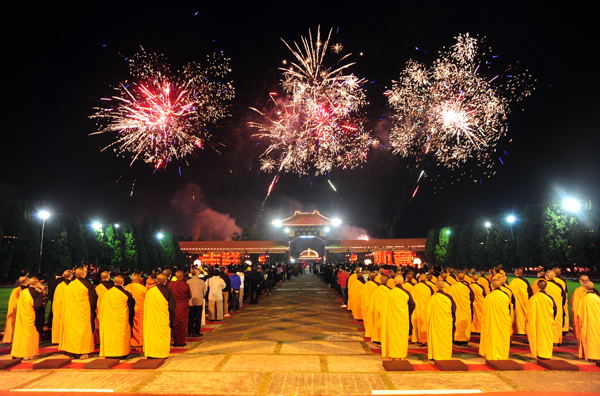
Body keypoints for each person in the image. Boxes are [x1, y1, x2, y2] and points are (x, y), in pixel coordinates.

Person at [60, 267, 98, 359]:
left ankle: (73, 351)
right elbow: (93, 299)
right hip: (83, 313)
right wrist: (93, 310)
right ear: (84, 274)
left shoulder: (70, 286)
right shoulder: (87, 284)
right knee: (83, 332)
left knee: (73, 332)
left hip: (72, 313)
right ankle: (83, 352)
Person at [99, 275, 135, 358]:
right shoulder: (126, 294)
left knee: (111, 337)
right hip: (121, 321)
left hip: (108, 320)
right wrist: (131, 321)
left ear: (114, 282)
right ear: (122, 283)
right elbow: (131, 309)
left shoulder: (106, 294)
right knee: (120, 337)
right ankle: (122, 353)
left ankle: (109, 352)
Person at [381, 275, 415, 360]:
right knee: (402, 336)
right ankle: (401, 354)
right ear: (403, 282)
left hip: (392, 318)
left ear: (394, 282)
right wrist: (407, 313)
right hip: (403, 318)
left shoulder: (389, 293)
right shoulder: (406, 293)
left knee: (393, 335)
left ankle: (393, 354)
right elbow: (412, 305)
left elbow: (384, 306)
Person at [143, 274, 176, 359]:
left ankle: (151, 353)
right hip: (163, 319)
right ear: (165, 281)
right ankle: (162, 354)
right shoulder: (168, 292)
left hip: (151, 319)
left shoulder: (150, 292)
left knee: (152, 335)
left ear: (156, 281)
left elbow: (146, 306)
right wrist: (172, 320)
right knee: (162, 336)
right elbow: (172, 308)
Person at [11, 277, 44, 360]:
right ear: (37, 284)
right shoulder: (35, 293)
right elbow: (38, 307)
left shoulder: (23, 292)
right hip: (32, 317)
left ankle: (21, 352)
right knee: (31, 336)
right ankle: (30, 353)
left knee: (23, 336)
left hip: (23, 317)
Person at [479, 279, 512, 360]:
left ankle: (492, 354)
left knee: (492, 337)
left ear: (491, 286)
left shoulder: (489, 296)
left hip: (492, 321)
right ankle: (503, 355)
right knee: (502, 337)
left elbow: (484, 310)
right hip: (503, 321)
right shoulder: (505, 295)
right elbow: (510, 309)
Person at [526, 279, 556, 360]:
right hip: (547, 322)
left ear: (537, 286)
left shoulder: (533, 298)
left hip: (535, 322)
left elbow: (528, 312)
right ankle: (546, 354)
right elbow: (554, 310)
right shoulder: (549, 298)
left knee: (536, 337)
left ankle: (537, 352)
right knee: (546, 337)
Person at [426, 280, 456, 360]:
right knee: (446, 338)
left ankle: (435, 355)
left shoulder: (432, 298)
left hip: (435, 322)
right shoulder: (448, 297)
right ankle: (445, 355)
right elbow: (454, 309)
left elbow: (427, 312)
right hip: (446, 322)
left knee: (436, 338)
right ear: (444, 287)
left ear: (435, 287)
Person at [448, 272, 474, 346]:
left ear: (456, 278)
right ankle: (465, 339)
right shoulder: (467, 287)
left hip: (456, 308)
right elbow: (472, 298)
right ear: (464, 278)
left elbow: (449, 297)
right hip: (465, 308)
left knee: (456, 322)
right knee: (465, 323)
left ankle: (456, 339)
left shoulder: (453, 287)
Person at [577, 281, 600, 362]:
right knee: (597, 338)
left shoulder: (585, 299)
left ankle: (591, 355)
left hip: (588, 322)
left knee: (590, 339)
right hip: (597, 322)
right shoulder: (597, 298)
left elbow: (580, 313)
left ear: (585, 288)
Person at [168, 270, 192, 347]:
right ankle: (181, 341)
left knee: (174, 323)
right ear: (182, 276)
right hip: (183, 306)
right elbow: (190, 296)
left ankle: (175, 341)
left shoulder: (171, 284)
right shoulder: (185, 285)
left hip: (174, 305)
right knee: (182, 324)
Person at [125, 273, 147, 349]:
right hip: (140, 310)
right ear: (140, 280)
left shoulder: (128, 287)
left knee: (131, 325)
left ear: (132, 280)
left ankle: (131, 341)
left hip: (130, 310)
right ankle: (139, 341)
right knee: (139, 327)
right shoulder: (144, 289)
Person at [367, 275, 391, 344]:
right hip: (386, 310)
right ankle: (384, 338)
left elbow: (371, 302)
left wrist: (371, 310)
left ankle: (377, 338)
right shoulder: (389, 291)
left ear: (380, 281)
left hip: (377, 310)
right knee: (385, 325)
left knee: (377, 325)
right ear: (387, 281)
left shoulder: (376, 290)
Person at [3, 276, 27, 343]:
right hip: (14, 309)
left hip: (15, 308)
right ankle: (11, 338)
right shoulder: (17, 291)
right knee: (13, 323)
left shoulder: (19, 290)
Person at [412, 274, 435, 346]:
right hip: (426, 308)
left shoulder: (415, 287)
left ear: (419, 279)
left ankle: (417, 339)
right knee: (425, 324)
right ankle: (425, 340)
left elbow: (412, 298)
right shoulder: (429, 287)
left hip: (417, 308)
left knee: (417, 324)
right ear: (426, 280)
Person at [509, 268, 533, 335]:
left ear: (515, 273)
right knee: (524, 315)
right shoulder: (525, 281)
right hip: (524, 301)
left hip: (515, 302)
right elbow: (529, 292)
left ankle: (516, 330)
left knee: (516, 315)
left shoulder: (513, 282)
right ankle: (524, 330)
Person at [545, 270, 566, 345]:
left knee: (547, 324)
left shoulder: (545, 285)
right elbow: (564, 297)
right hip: (558, 307)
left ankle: (548, 340)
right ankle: (557, 341)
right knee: (557, 324)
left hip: (547, 308)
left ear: (546, 277)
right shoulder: (559, 285)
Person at [51, 270, 72, 344]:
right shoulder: (71, 286)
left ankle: (57, 339)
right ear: (71, 276)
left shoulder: (59, 286)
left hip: (59, 307)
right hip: (67, 307)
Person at [94, 271, 113, 345]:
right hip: (110, 309)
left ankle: (101, 340)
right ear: (108, 277)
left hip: (100, 309)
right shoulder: (113, 287)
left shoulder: (98, 288)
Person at [188, 269, 206, 336]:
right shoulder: (201, 282)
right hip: (199, 300)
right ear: (197, 273)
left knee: (191, 317)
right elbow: (204, 291)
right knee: (198, 317)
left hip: (190, 301)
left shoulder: (188, 281)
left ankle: (190, 331)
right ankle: (197, 331)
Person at [571, 275, 590, 341]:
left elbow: (573, 302)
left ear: (580, 281)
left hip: (580, 312)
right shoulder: (593, 291)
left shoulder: (577, 291)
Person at [360, 272, 379, 337]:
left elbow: (362, 295)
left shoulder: (365, 285)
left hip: (367, 304)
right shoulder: (378, 286)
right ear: (376, 277)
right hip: (375, 305)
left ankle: (369, 332)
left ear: (369, 277)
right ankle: (375, 332)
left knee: (368, 319)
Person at [552, 267, 569, 333]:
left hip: (552, 300)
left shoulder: (550, 281)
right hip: (561, 299)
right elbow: (565, 292)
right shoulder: (563, 281)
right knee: (563, 314)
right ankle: (564, 329)